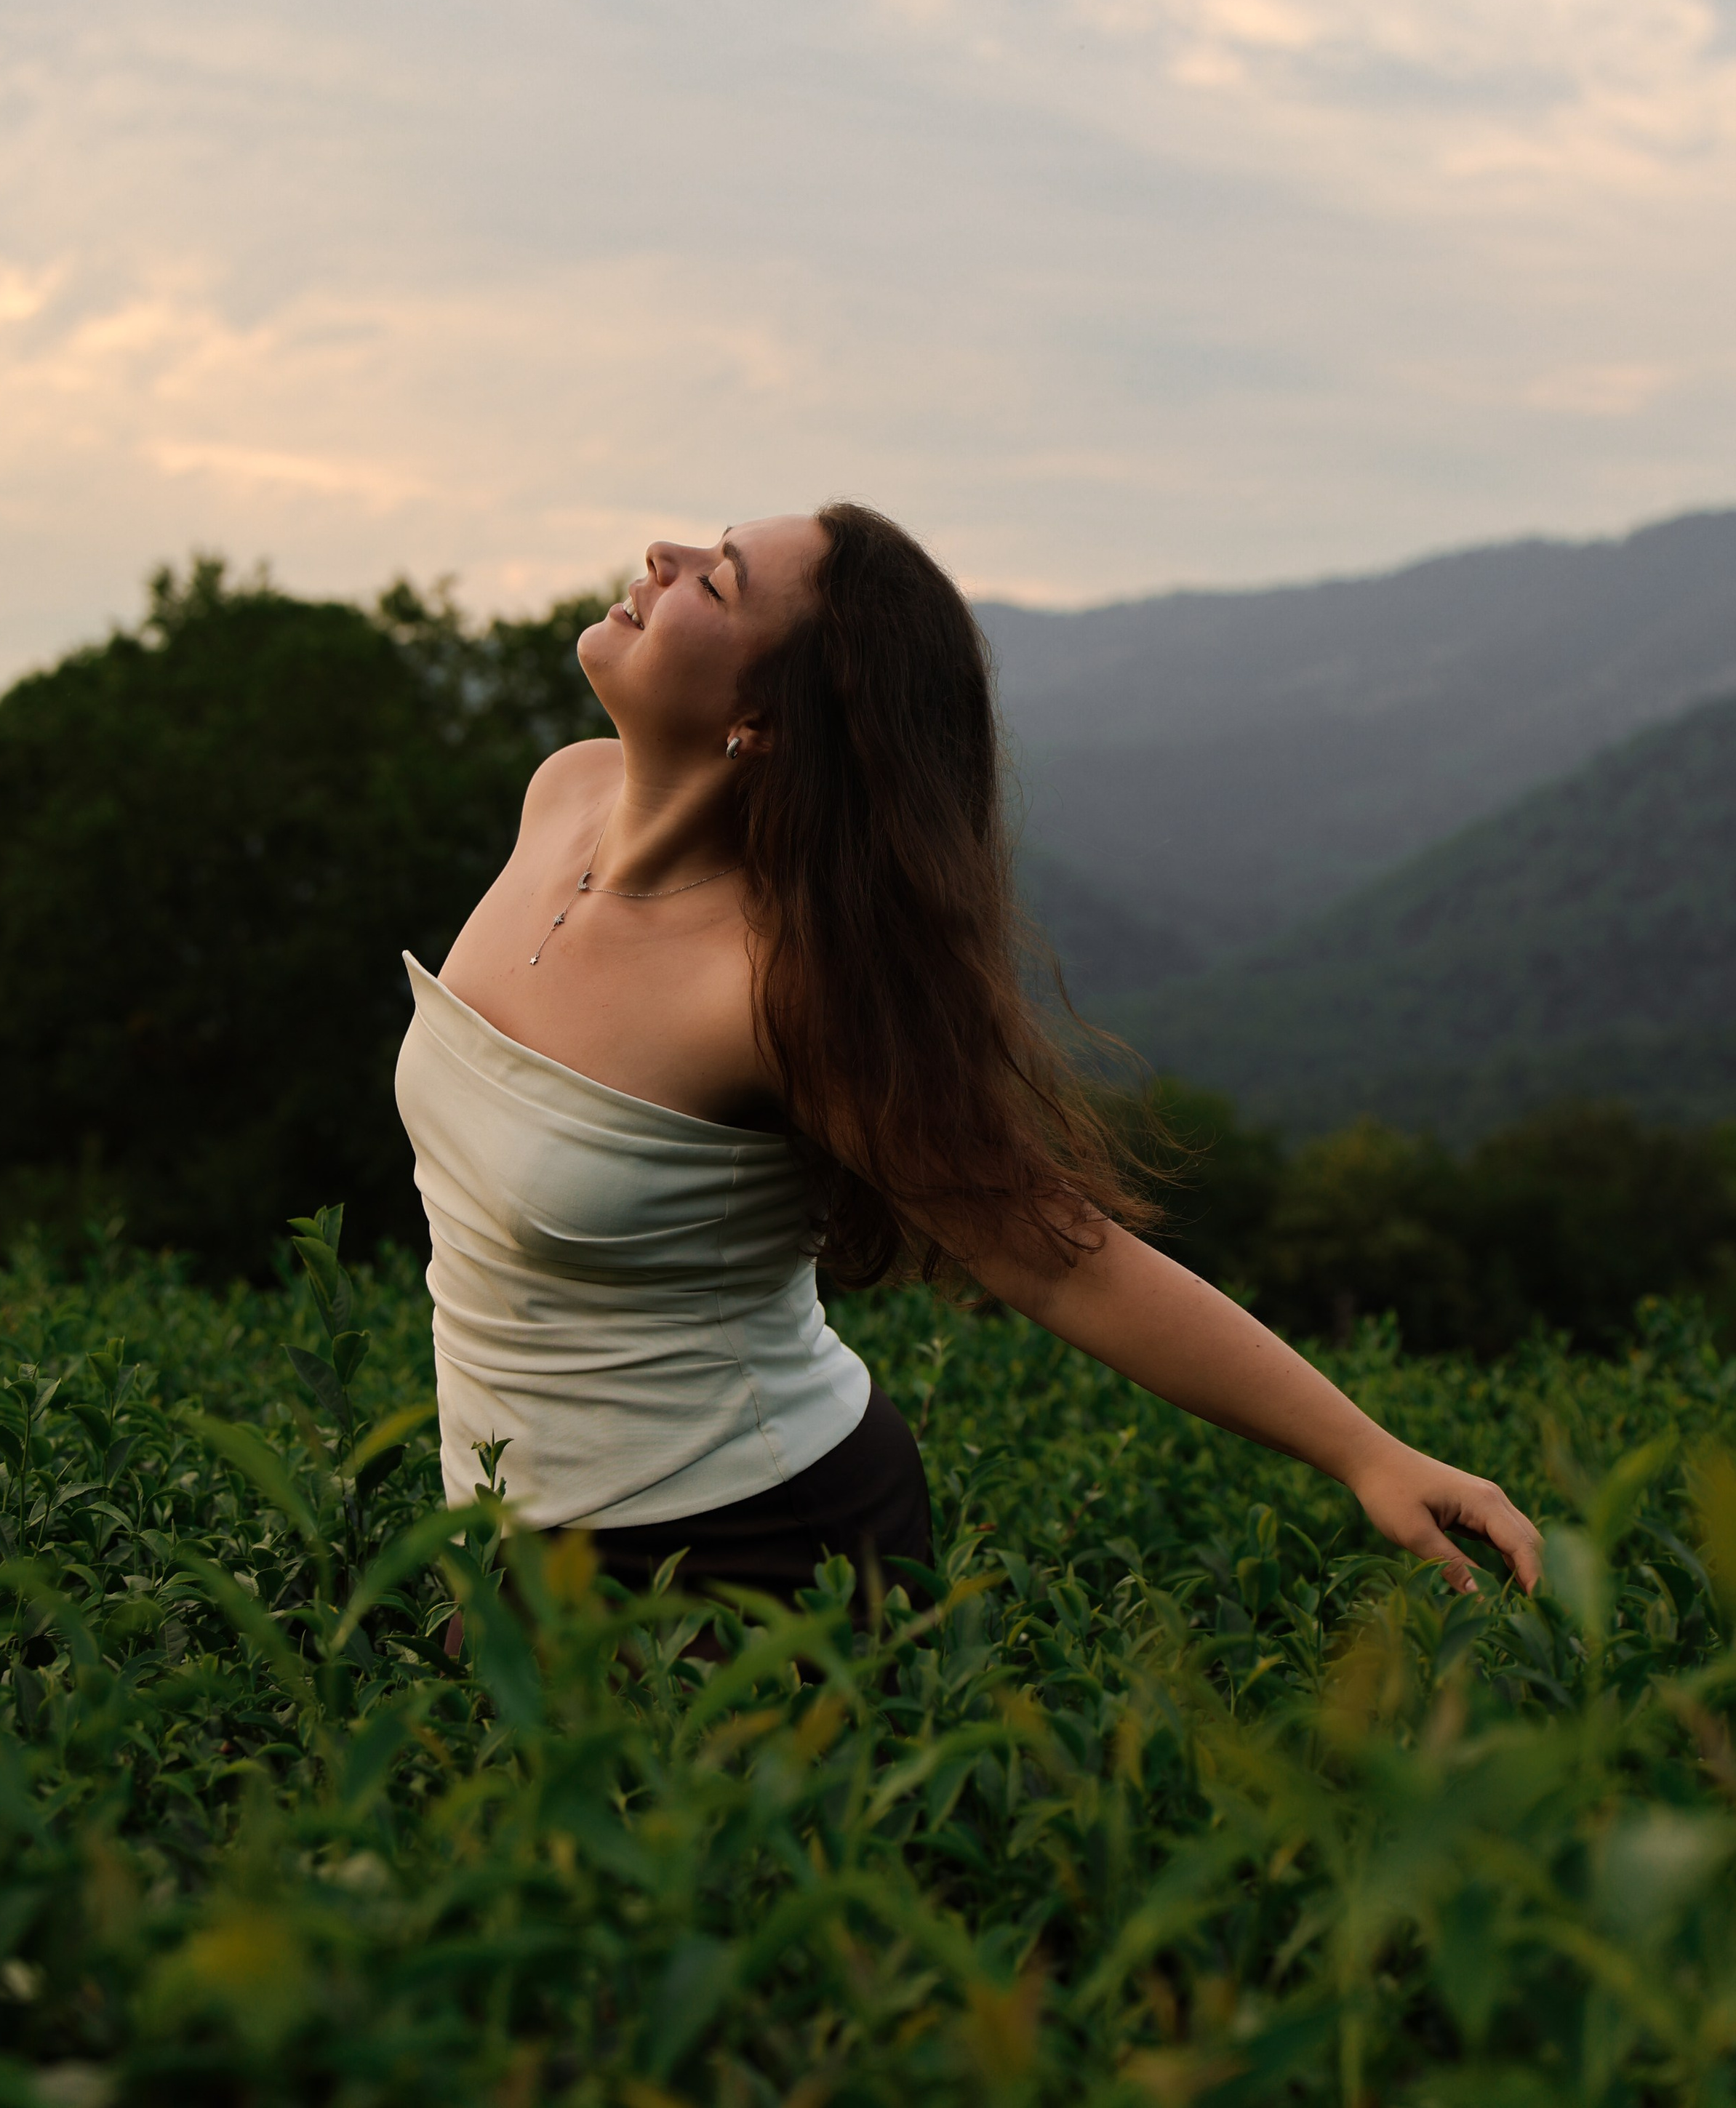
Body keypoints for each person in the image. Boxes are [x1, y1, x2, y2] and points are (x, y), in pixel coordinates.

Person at [396, 503, 1541, 1610]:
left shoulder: (781, 986)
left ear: (768, 719)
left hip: (738, 1549)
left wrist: (1367, 1455)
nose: (666, 552)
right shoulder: (563, 792)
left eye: (720, 579)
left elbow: (1056, 1259)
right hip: (501, 1534)